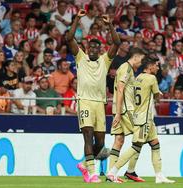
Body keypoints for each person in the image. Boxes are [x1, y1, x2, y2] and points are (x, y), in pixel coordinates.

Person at [66, 10, 120, 183]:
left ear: (100, 49)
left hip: (100, 104)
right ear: (87, 49)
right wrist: (77, 19)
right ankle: (92, 174)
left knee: (100, 143)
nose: (94, 49)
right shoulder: (80, 58)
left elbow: (117, 43)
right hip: (85, 102)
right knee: (88, 135)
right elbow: (69, 39)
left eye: (97, 47)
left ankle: (84, 164)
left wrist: (110, 23)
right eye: (91, 47)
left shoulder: (105, 60)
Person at [107, 57, 175, 184]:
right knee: (136, 146)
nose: (158, 68)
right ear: (150, 66)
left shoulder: (137, 78)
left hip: (143, 116)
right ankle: (113, 172)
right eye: (156, 65)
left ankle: (159, 175)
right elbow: (157, 97)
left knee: (155, 143)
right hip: (144, 118)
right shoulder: (152, 78)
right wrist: (157, 94)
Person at [109, 48, 146, 183]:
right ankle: (130, 171)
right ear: (135, 57)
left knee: (119, 140)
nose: (141, 64)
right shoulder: (126, 68)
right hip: (125, 110)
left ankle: (110, 174)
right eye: (141, 60)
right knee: (140, 137)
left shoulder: (127, 68)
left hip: (119, 109)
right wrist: (119, 113)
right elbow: (120, 89)